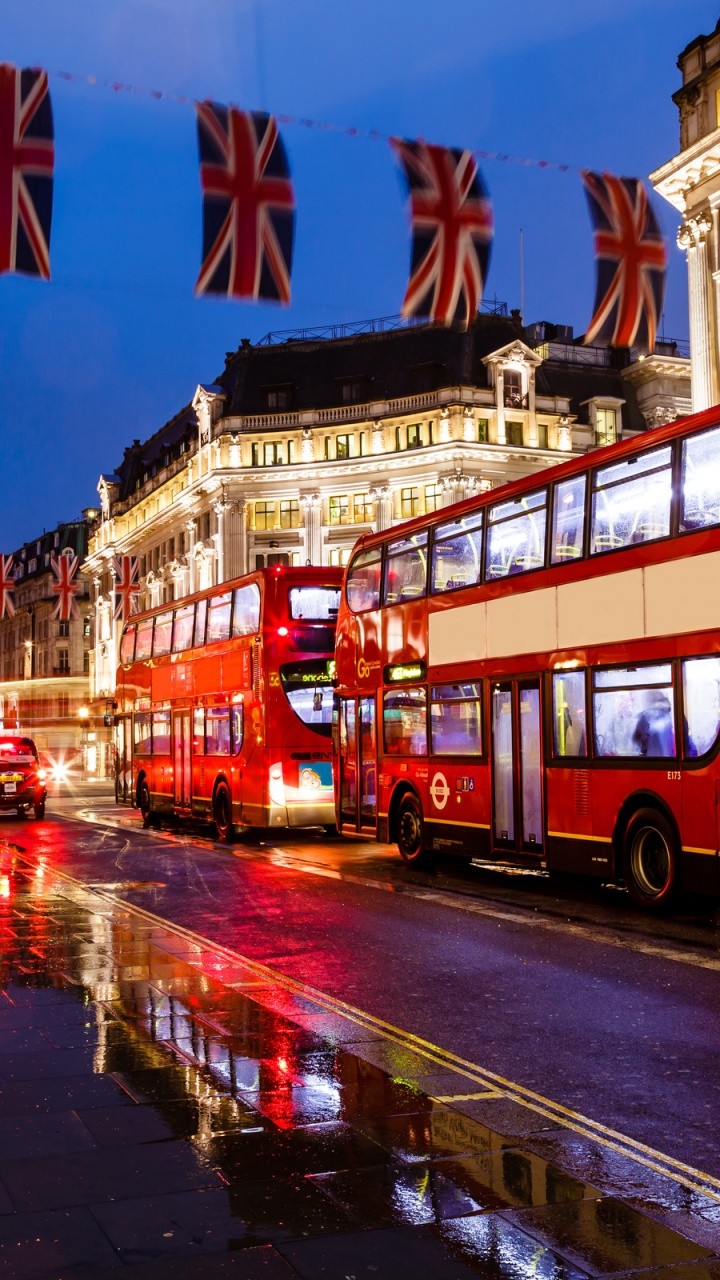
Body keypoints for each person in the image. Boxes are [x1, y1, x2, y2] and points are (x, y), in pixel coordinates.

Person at [632, 690, 674, 757]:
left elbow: (636, 737)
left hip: (652, 757)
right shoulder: (669, 716)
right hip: (668, 757)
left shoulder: (646, 716)